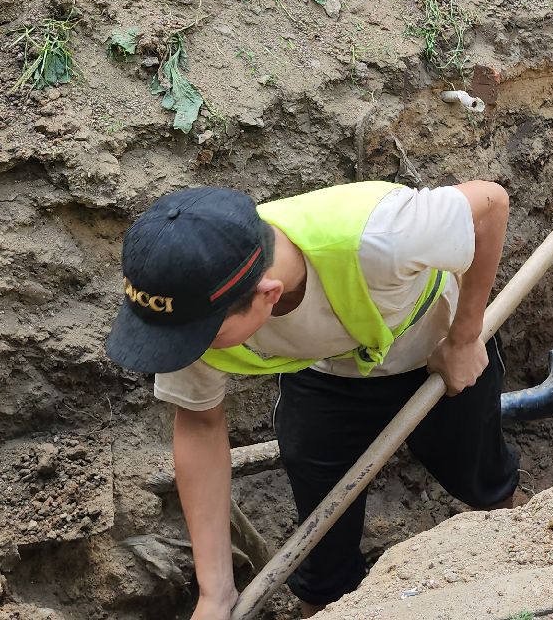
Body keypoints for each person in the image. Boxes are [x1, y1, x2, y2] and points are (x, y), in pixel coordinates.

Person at [105, 180, 518, 618]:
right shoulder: (186, 313)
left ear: (267, 294)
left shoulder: (381, 234)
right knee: (322, 548)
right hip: (325, 376)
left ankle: (519, 555)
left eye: (199, 337)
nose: (185, 351)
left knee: (481, 479)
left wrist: (464, 336)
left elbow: (490, 204)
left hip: (434, 353)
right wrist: (214, 591)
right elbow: (198, 423)